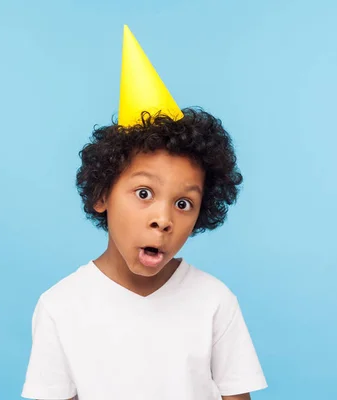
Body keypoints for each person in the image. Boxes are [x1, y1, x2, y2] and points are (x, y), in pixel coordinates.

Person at [21, 25, 268, 400]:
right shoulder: (60, 306)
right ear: (102, 194)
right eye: (143, 193)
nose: (163, 219)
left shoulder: (213, 301)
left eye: (183, 203)